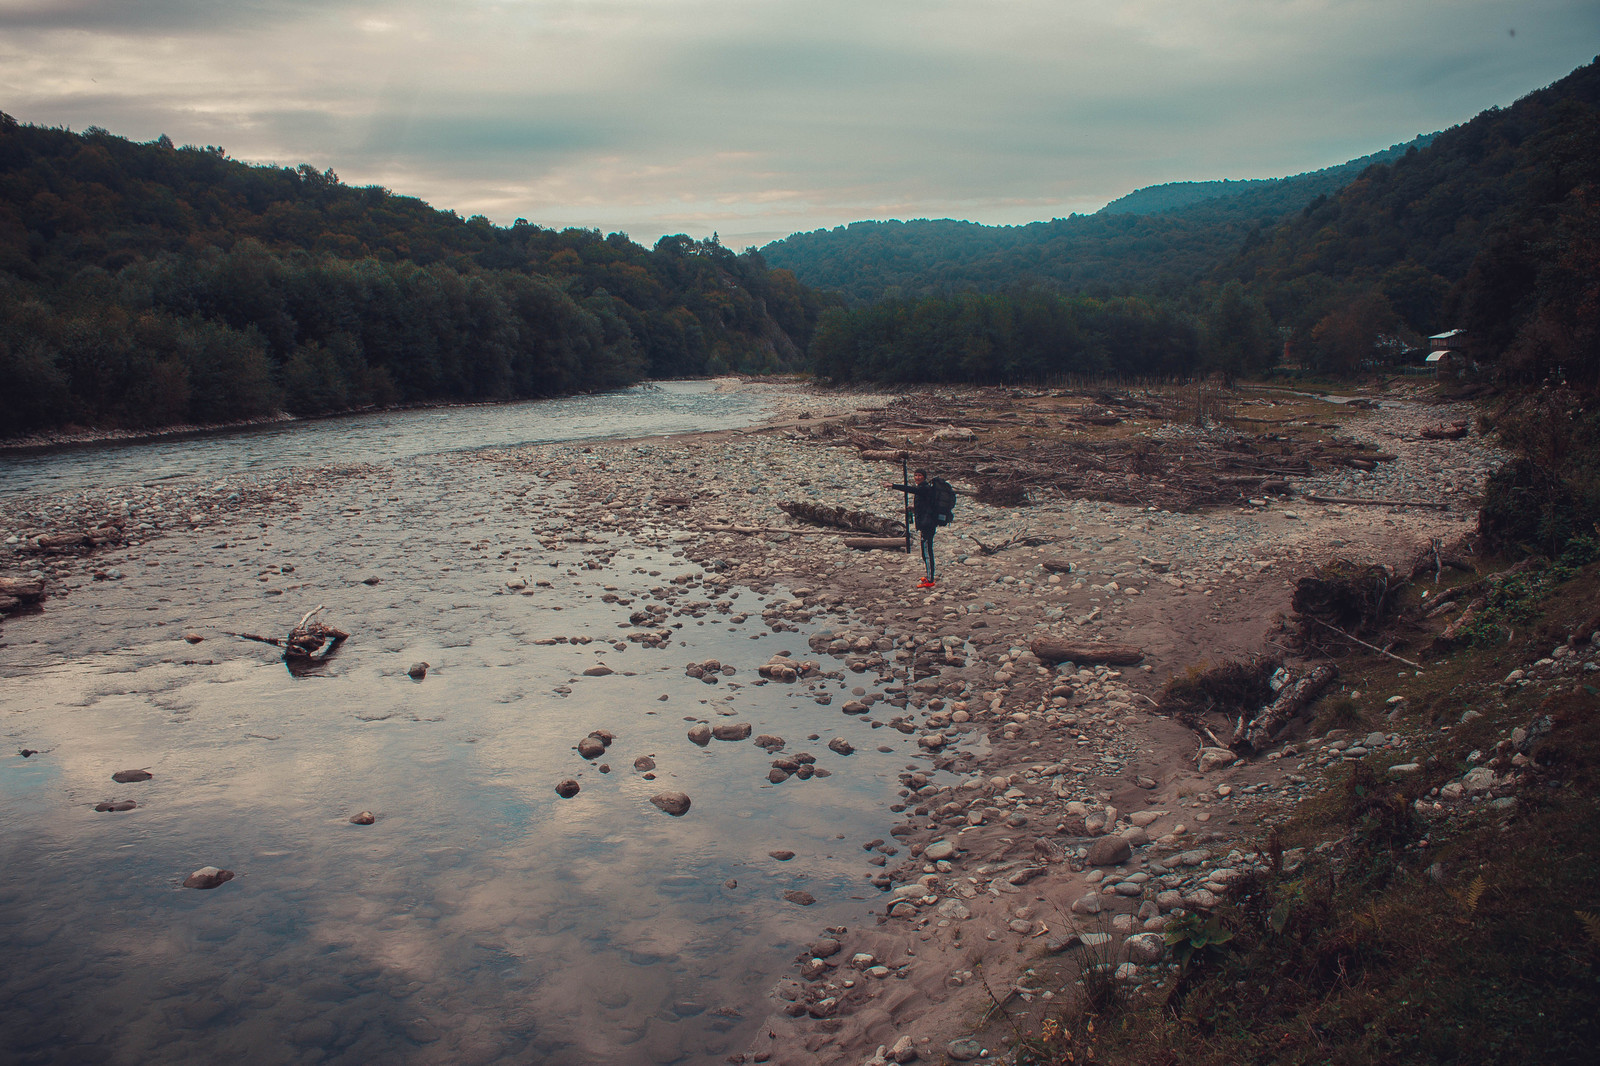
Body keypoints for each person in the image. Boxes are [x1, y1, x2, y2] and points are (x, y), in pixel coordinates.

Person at [885, 469, 938, 588]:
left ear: (924, 477)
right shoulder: (924, 489)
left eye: (920, 475)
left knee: (927, 552)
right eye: (916, 475)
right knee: (925, 551)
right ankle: (929, 576)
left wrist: (893, 486)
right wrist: (914, 509)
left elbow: (911, 489)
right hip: (925, 523)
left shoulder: (924, 488)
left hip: (928, 525)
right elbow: (926, 506)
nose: (917, 477)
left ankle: (930, 580)